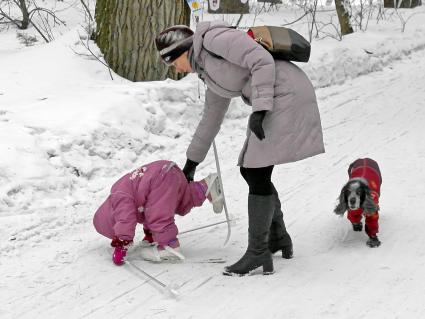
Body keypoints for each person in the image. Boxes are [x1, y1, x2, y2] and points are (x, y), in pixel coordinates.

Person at [155, 22, 325, 276]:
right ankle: (277, 238)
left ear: (180, 51)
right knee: (252, 170)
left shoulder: (214, 41)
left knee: (255, 171)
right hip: (274, 97)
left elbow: (261, 60)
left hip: (286, 93)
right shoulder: (208, 70)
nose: (176, 69)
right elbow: (211, 117)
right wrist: (191, 164)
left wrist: (260, 109)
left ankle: (258, 252)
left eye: (173, 62)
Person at [93, 160, 223, 265]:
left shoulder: (118, 197)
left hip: (159, 178)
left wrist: (121, 243)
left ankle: (170, 246)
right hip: (166, 171)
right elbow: (145, 208)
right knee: (182, 199)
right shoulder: (121, 190)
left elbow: (125, 220)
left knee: (158, 213)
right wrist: (150, 234)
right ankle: (205, 186)